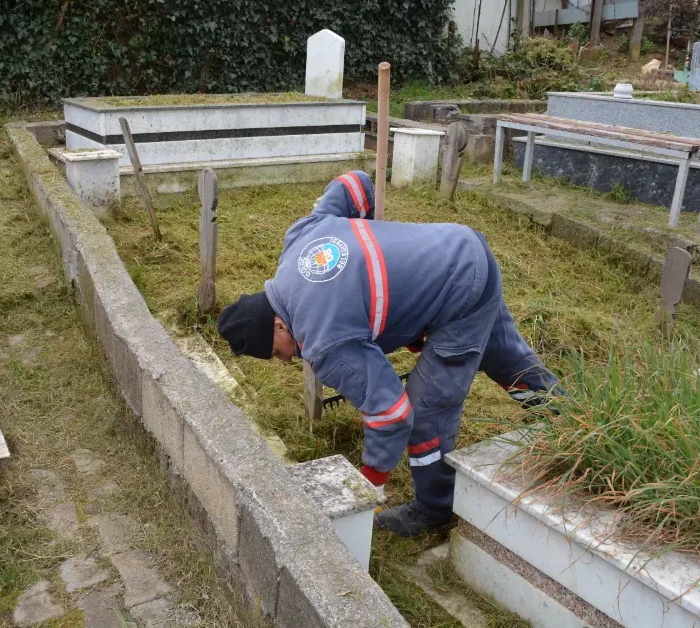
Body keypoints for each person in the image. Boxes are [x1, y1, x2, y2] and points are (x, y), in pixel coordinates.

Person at [217, 170, 560, 537]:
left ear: (278, 326)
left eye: (275, 352)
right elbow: (355, 184)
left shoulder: (324, 342)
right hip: (463, 248)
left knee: (426, 412)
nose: (285, 360)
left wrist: (368, 485)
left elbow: (392, 414)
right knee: (506, 360)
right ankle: (569, 422)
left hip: (460, 294)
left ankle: (434, 511)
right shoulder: (299, 240)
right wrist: (380, 264)